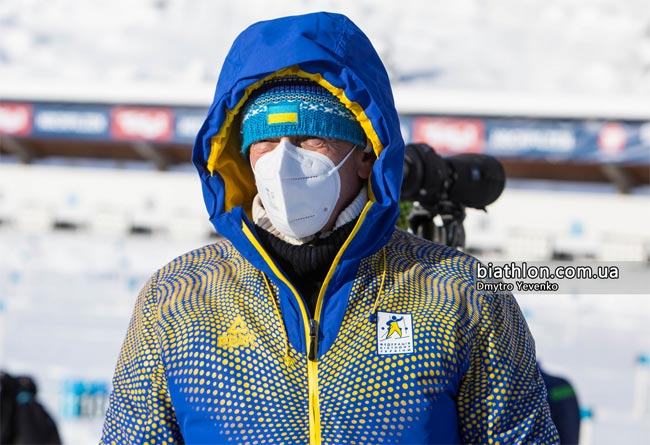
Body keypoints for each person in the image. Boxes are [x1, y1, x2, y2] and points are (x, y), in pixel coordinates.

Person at [101, 12, 559, 444]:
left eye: (309, 139)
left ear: (365, 153)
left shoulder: (460, 293)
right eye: (265, 143)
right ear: (240, 156)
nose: (284, 162)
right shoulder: (177, 297)